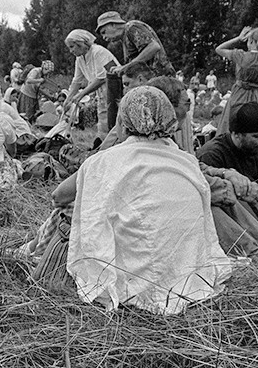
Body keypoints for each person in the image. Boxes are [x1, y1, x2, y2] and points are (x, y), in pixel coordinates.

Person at [65, 86, 231, 314]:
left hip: (134, 287)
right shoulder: (187, 162)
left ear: (122, 125)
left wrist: (98, 281)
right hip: (189, 280)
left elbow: (92, 230)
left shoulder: (101, 163)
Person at [214, 27, 258, 134]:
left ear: (251, 41)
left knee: (233, 125)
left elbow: (219, 49)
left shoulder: (241, 56)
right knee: (257, 126)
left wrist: (238, 38)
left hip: (240, 94)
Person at [62, 29, 119, 140]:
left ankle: (114, 145)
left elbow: (102, 78)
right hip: (102, 92)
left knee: (113, 119)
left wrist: (80, 95)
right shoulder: (79, 59)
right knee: (103, 121)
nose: (70, 51)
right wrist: (68, 100)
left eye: (72, 47)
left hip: (114, 89)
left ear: (81, 43)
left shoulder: (98, 52)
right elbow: (76, 81)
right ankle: (104, 145)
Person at [95, 11, 175, 78]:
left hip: (163, 80)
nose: (104, 38)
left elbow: (154, 47)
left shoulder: (131, 28)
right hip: (154, 80)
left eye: (104, 32)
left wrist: (126, 67)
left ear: (113, 24)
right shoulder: (124, 37)